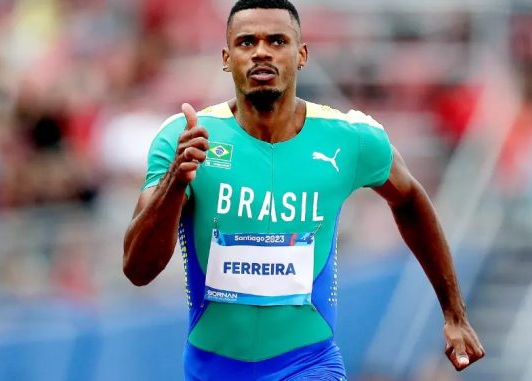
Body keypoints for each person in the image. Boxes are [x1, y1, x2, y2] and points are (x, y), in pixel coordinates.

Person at [123, 0, 484, 379]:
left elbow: (409, 198)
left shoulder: (350, 139)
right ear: (227, 58)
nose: (262, 52)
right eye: (247, 42)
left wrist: (454, 312)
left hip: (308, 364)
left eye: (277, 41)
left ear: (302, 55)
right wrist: (175, 182)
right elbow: (138, 269)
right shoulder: (185, 139)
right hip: (212, 368)